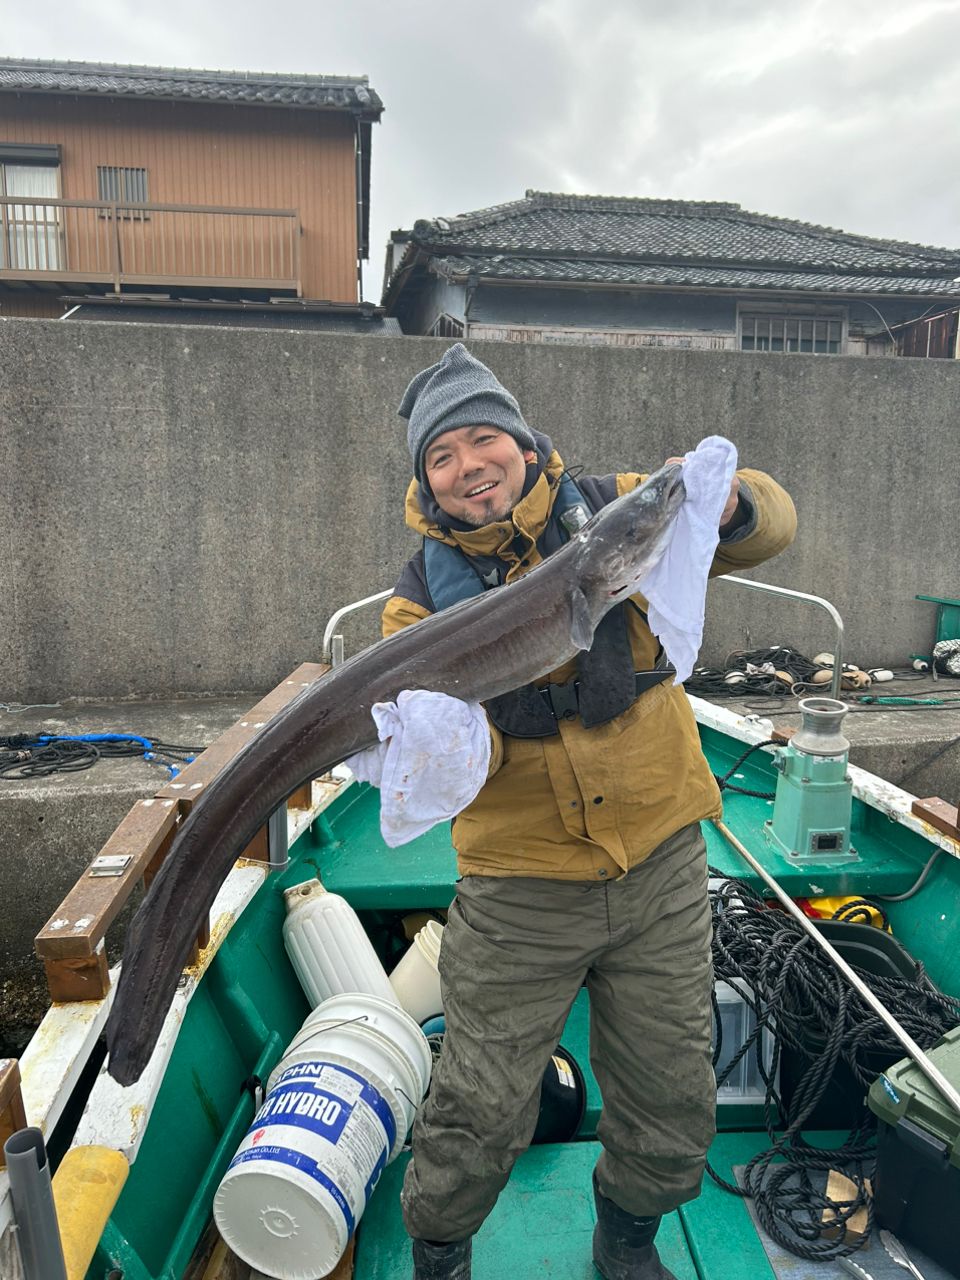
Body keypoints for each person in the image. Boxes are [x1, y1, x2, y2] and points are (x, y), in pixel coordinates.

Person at [380, 343, 797, 1279]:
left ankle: (629, 1235)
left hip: (661, 856)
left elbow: (765, 526)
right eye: (441, 457)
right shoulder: (417, 605)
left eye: (484, 438)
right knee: (481, 1098)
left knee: (671, 1079)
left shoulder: (617, 508)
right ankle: (440, 1248)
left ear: (524, 446)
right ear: (428, 482)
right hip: (521, 881)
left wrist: (730, 502)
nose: (467, 465)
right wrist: (441, 744)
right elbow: (452, 767)